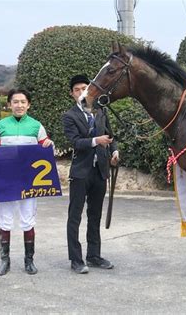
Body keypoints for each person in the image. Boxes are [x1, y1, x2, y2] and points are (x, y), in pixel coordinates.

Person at [0, 88, 54, 276]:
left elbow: (46, 151)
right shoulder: (0, 125)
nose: (19, 105)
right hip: (6, 182)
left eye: (23, 102)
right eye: (15, 101)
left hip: (28, 182)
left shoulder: (37, 126)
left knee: (27, 221)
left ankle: (29, 261)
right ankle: (4, 261)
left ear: (28, 104)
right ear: (9, 104)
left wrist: (48, 145)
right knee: (5, 221)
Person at [62, 74, 119, 274]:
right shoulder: (69, 116)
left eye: (84, 88)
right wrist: (96, 141)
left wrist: (114, 152)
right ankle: (76, 259)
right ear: (72, 94)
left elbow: (111, 136)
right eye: (76, 89)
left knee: (95, 215)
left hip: (100, 171)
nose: (81, 92)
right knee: (75, 216)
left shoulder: (101, 111)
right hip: (81, 172)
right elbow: (76, 142)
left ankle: (94, 255)